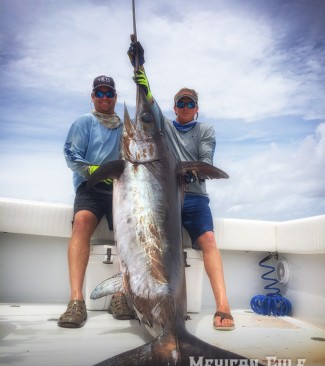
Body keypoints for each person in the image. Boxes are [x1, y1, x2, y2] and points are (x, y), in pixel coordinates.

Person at [128, 43, 235, 330]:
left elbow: (205, 160)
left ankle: (223, 306)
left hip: (196, 197)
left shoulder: (205, 131)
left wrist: (191, 175)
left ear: (196, 109)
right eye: (181, 103)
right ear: (174, 107)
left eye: (190, 104)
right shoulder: (165, 127)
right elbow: (148, 106)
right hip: (167, 200)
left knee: (209, 242)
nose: (185, 108)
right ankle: (160, 306)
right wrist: (139, 68)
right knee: (163, 250)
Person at [58, 75, 135, 328]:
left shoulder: (126, 127)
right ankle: (76, 301)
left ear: (115, 96)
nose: (104, 97)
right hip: (90, 187)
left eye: (108, 93)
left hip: (119, 189)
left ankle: (120, 297)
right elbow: (72, 155)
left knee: (127, 236)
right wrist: (94, 171)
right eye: (99, 93)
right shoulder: (84, 122)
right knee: (81, 223)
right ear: (93, 97)